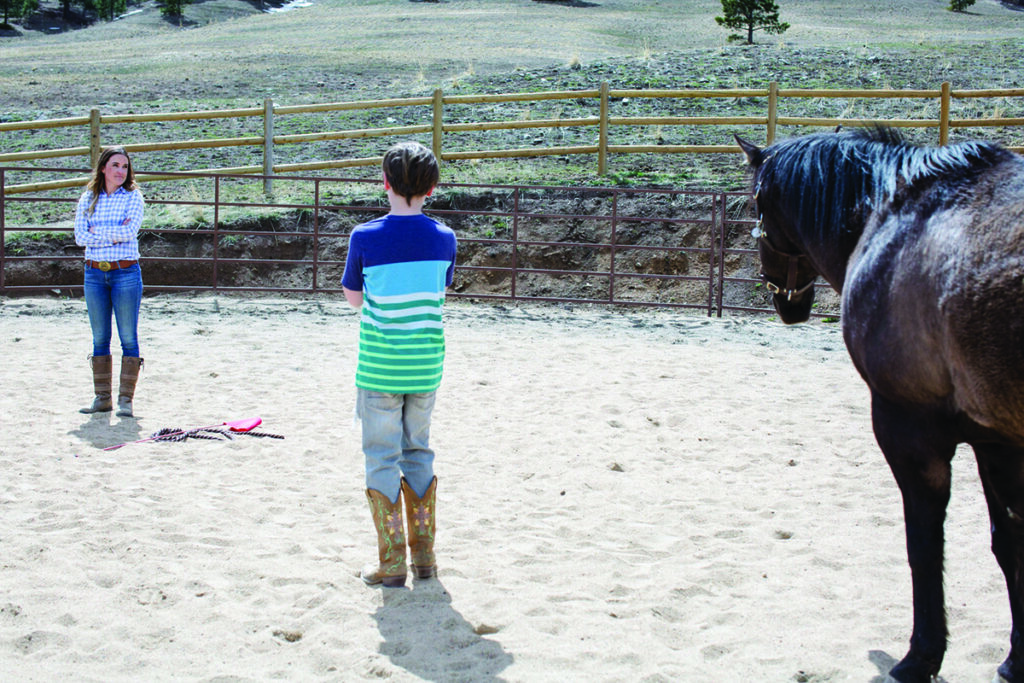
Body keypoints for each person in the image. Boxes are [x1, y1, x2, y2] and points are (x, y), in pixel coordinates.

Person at [341, 141, 457, 588]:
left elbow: (354, 299)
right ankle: (424, 558)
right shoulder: (445, 238)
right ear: (432, 187)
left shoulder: (365, 237)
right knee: (418, 450)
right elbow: (443, 285)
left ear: (385, 183)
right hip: (426, 365)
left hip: (380, 366)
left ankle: (391, 563)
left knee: (381, 455)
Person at [73, 146, 145, 418]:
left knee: (128, 336)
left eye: (124, 167)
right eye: (115, 165)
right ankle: (102, 398)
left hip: (124, 271)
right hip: (94, 273)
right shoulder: (88, 198)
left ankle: (126, 399)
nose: (120, 171)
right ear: (103, 167)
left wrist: (97, 231)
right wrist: (112, 234)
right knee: (100, 337)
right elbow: (80, 236)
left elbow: (129, 232)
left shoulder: (133, 197)